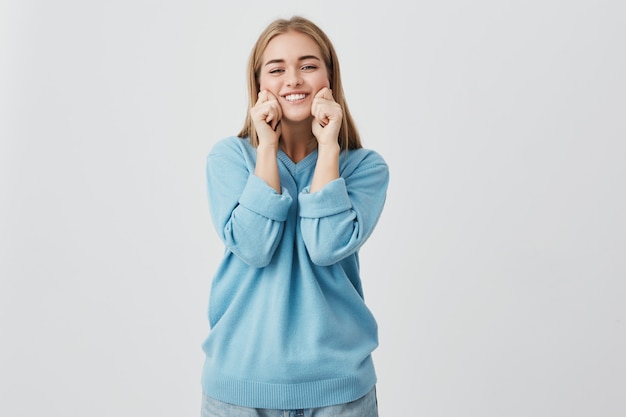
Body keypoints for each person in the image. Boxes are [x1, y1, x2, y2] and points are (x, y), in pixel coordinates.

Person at [201, 15, 389, 417]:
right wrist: (266, 148)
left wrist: (329, 147)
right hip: (238, 393)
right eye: (277, 69)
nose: (293, 80)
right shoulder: (229, 158)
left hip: (340, 395)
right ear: (258, 85)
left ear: (329, 78)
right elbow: (253, 247)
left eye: (308, 65)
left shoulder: (365, 168)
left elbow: (325, 246)